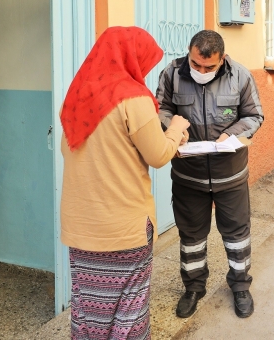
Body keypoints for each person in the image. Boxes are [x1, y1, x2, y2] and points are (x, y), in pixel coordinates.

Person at [60, 26, 190, 340]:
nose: (144, 70)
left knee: (89, 308)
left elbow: (70, 149)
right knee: (127, 311)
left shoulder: (77, 95)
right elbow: (159, 155)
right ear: (131, 58)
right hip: (124, 228)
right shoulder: (133, 98)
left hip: (81, 228)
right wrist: (175, 128)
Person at [155, 30, 264, 319]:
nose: (201, 71)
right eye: (196, 64)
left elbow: (255, 116)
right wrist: (173, 128)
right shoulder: (172, 73)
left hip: (230, 175)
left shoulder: (240, 76)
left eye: (209, 67)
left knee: (237, 234)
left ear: (222, 59)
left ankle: (240, 286)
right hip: (188, 176)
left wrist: (230, 133)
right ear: (189, 54)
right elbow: (161, 109)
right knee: (191, 235)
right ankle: (193, 288)